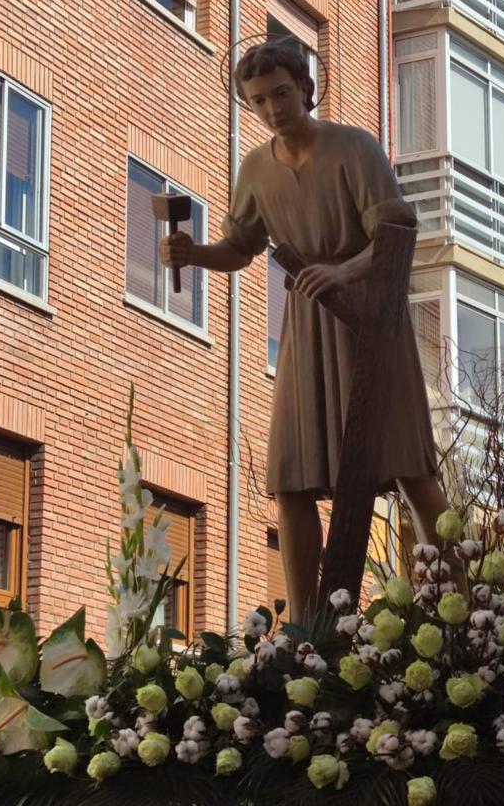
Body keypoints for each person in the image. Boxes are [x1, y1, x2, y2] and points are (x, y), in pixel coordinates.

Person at [160, 42, 449, 614]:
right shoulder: (256, 170)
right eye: (259, 100)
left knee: (410, 470)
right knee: (291, 478)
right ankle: (307, 626)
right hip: (308, 327)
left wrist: (342, 271)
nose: (272, 109)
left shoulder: (354, 148)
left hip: (371, 320)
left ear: (307, 90)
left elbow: (395, 232)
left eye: (282, 94)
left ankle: (460, 603)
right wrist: (193, 255)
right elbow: (240, 248)